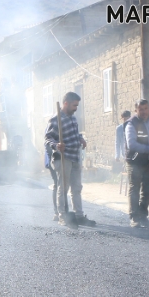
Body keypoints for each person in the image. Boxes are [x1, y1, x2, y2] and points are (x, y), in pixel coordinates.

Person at [44, 92, 92, 228]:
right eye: (74, 105)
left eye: (77, 105)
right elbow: (48, 138)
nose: (76, 108)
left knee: (77, 187)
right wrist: (56, 145)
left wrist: (81, 138)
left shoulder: (73, 118)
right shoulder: (55, 119)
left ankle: (79, 215)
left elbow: (75, 133)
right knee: (63, 187)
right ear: (66, 103)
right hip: (63, 158)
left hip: (76, 156)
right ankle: (62, 215)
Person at [124, 99, 149, 228]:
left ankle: (143, 216)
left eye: (146, 109)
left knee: (148, 189)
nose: (144, 112)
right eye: (141, 109)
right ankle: (134, 217)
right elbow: (131, 144)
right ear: (136, 110)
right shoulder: (131, 124)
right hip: (135, 161)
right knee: (135, 189)